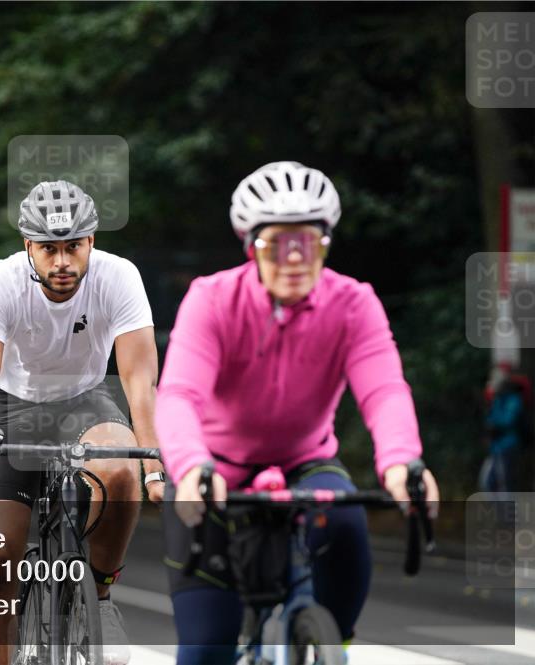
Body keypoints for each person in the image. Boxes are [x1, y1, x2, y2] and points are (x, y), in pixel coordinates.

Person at [155, 161, 441, 664]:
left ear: (325, 246)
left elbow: (384, 391)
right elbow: (179, 394)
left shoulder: (354, 304)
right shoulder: (212, 300)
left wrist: (401, 462)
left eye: (307, 242)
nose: (293, 258)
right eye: (276, 244)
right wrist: (190, 466)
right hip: (212, 467)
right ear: (252, 248)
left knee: (346, 521)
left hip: (304, 461)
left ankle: (333, 642)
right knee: (205, 647)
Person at [0, 180, 165, 665]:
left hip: (84, 401)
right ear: (28, 246)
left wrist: (154, 469)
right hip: (12, 408)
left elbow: (139, 381)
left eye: (73, 246)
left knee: (120, 468)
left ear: (91, 240)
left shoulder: (118, 276)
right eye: (49, 249)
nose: (63, 261)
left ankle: (101, 595)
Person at [479, 363, 529, 497]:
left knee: (505, 484)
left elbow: (508, 420)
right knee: (488, 482)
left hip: (507, 446)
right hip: (496, 448)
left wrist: (493, 426)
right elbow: (490, 419)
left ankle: (508, 509)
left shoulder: (513, 399)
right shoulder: (497, 399)